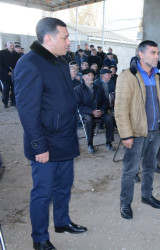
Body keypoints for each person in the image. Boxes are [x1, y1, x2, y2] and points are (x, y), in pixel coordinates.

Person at [13, 17, 87, 250]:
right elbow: (27, 111)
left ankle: (62, 222)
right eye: (65, 38)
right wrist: (38, 146)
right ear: (48, 39)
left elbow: (64, 96)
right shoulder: (29, 64)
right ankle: (40, 238)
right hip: (45, 143)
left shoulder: (60, 61)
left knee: (65, 185)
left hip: (65, 137)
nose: (68, 42)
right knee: (43, 193)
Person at [115, 40, 160, 220]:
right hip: (136, 133)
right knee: (130, 170)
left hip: (155, 130)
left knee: (149, 166)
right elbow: (120, 109)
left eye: (158, 53)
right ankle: (125, 203)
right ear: (141, 54)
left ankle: (146, 196)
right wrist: (126, 135)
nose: (157, 56)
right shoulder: (127, 76)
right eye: (153, 53)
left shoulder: (158, 76)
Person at [75, 69, 115, 154]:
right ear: (83, 77)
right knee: (89, 120)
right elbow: (79, 105)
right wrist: (92, 111)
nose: (91, 77)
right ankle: (90, 143)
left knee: (110, 118)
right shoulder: (78, 89)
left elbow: (105, 101)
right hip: (87, 112)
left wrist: (101, 110)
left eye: (92, 75)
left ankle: (109, 142)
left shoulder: (98, 88)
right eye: (88, 75)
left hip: (99, 111)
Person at [0, 41, 21, 108]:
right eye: (10, 45)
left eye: (13, 46)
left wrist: (15, 72)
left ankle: (13, 101)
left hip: (14, 74)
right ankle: (5, 102)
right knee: (6, 88)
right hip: (4, 75)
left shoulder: (17, 55)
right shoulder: (1, 53)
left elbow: (19, 65)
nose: (12, 47)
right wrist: (7, 72)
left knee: (14, 88)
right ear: (7, 46)